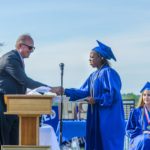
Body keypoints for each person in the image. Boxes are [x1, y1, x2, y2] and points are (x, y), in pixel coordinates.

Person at [55, 40, 125, 150]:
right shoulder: (93, 76)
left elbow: (113, 95)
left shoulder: (109, 73)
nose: (89, 60)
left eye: (92, 57)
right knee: (95, 143)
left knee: (107, 144)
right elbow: (83, 92)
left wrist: (96, 100)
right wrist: (65, 91)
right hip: (96, 116)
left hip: (108, 117)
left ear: (101, 57)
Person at [0, 34, 60, 145]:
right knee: (5, 143)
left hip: (13, 109)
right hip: (3, 108)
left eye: (33, 48)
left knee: (13, 144)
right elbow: (25, 81)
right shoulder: (10, 58)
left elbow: (20, 84)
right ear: (20, 45)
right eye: (30, 47)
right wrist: (51, 89)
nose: (31, 51)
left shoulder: (17, 59)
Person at [126, 82, 150, 150]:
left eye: (149, 95)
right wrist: (142, 132)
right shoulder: (135, 112)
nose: (146, 97)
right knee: (146, 140)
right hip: (139, 139)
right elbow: (128, 130)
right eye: (144, 95)